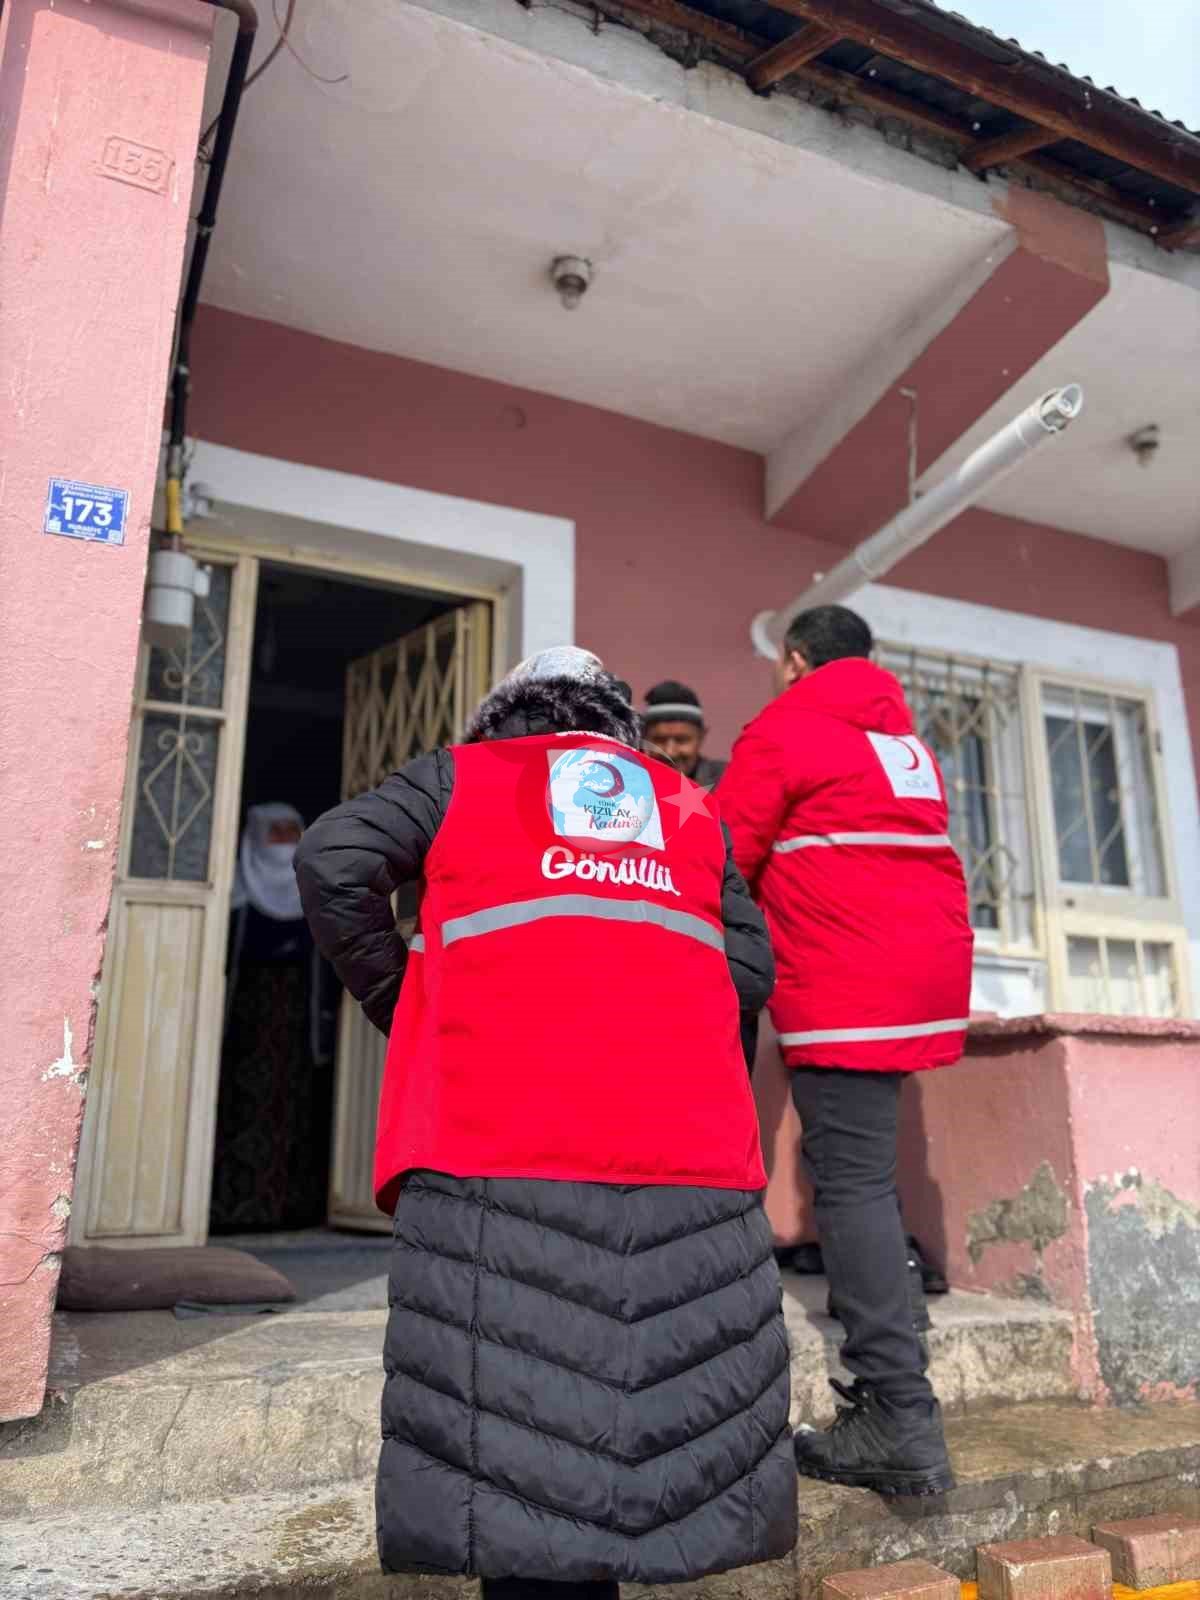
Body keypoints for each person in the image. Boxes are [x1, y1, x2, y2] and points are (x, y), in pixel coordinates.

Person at [294, 647, 796, 1598]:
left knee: (521, 1456)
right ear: (621, 729)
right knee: (644, 1449)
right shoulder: (689, 810)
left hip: (493, 1145)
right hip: (685, 1158)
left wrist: (402, 1000)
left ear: (502, 722)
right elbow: (749, 969)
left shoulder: (462, 776)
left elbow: (332, 859)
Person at [720, 605, 973, 1499]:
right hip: (917, 972)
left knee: (854, 1181)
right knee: (873, 1170)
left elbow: (727, 852)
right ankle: (897, 1364)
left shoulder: (788, 726)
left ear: (794, 661)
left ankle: (896, 1415)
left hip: (844, 971)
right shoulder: (906, 743)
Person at [210, 802, 338, 1232]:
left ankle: (290, 1209)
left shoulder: (317, 894)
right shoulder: (233, 898)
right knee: (238, 1110)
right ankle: (235, 1210)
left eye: (292, 830)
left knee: (296, 1110)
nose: (285, 841)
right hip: (245, 1023)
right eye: (275, 831)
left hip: (298, 1024)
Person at [642, 680, 727, 788]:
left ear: (701, 737)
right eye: (659, 739)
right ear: (643, 736)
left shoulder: (727, 781)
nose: (670, 752)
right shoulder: (626, 785)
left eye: (681, 740)